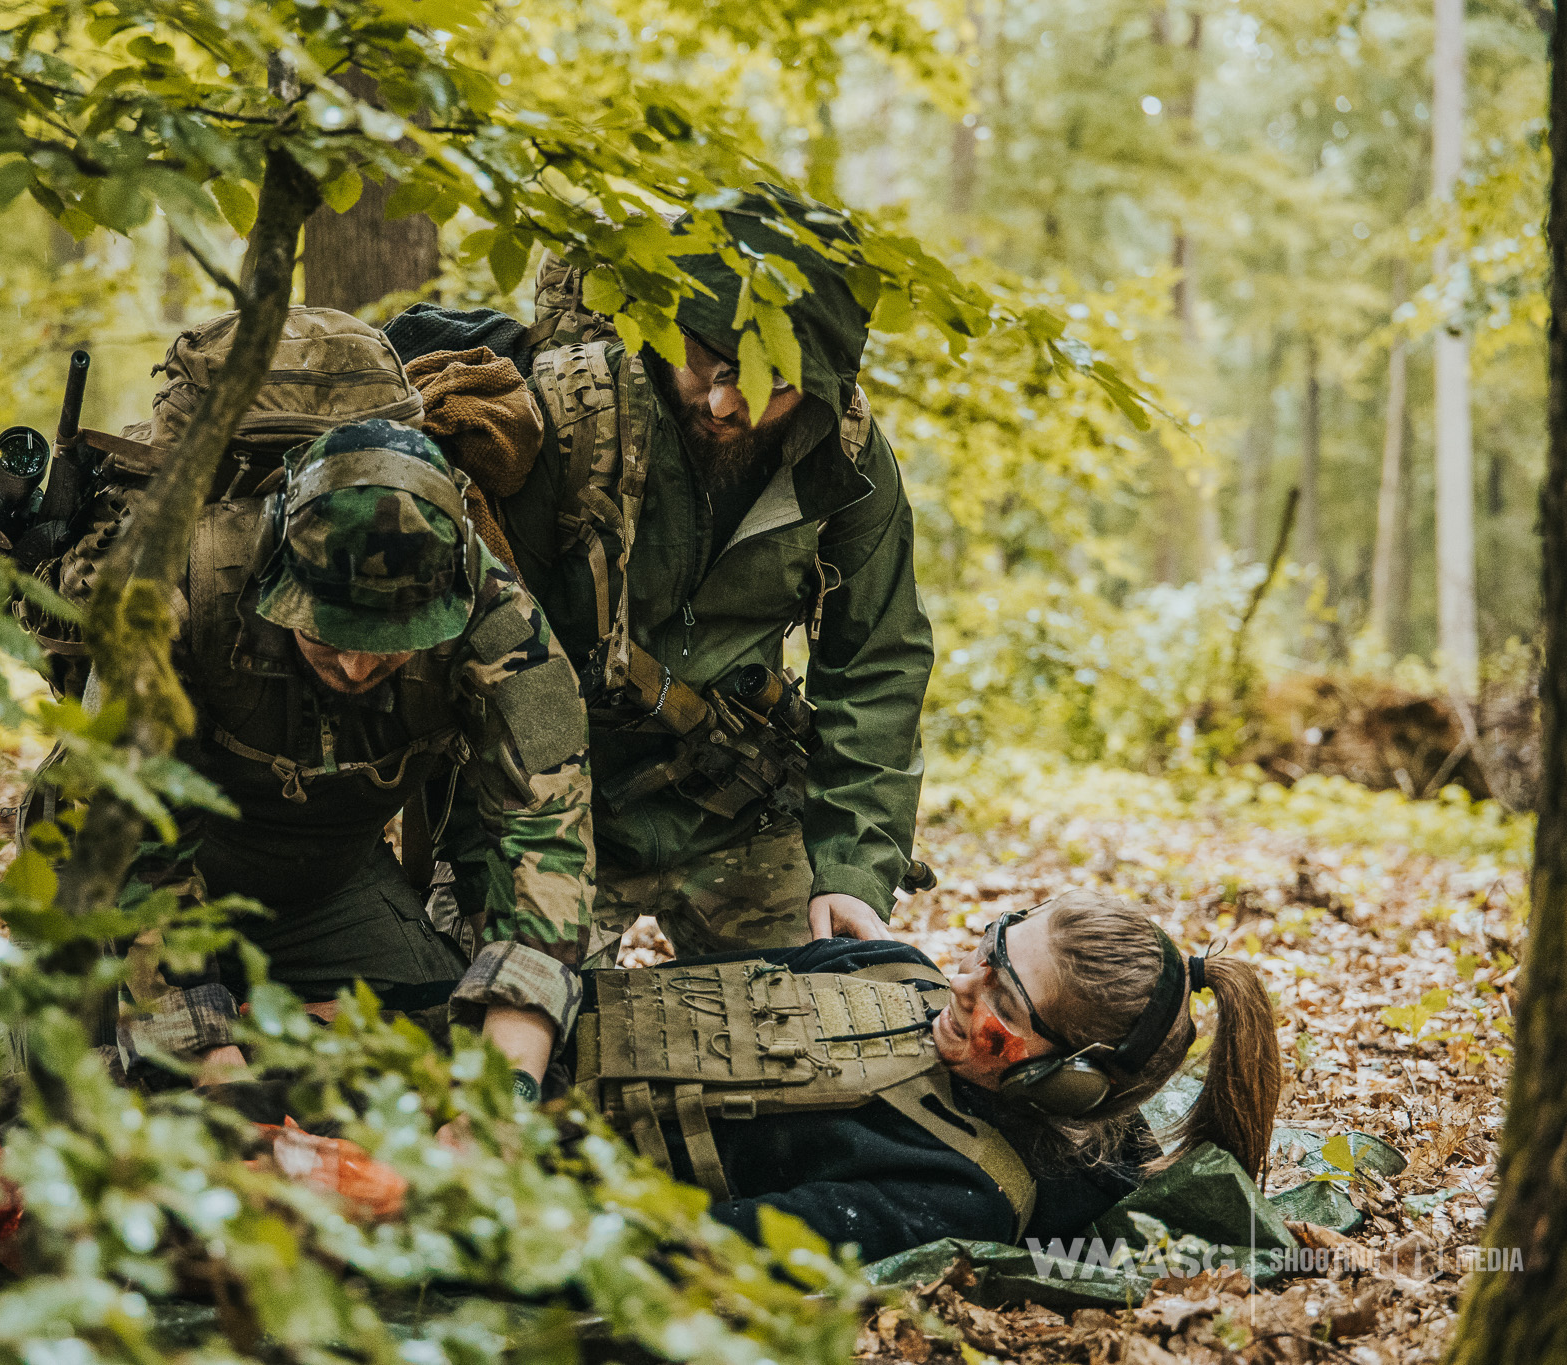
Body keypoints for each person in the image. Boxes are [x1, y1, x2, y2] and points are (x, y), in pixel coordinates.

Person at [417, 187, 933, 967]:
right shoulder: (568, 417)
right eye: (706, 360)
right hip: (552, 813)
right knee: (500, 1037)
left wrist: (854, 870)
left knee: (839, 1016)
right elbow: (473, 659)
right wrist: (480, 855)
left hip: (736, 814)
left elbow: (878, 664)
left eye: (768, 383)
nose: (725, 402)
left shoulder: (847, 460)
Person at [111, 417, 596, 1095]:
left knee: (428, 1034)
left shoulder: (498, 624)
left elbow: (547, 848)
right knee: (65, 1081)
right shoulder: (184, 593)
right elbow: (133, 844)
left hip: (326, 885)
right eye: (329, 630)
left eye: (391, 637)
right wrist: (210, 1071)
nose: (356, 662)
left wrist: (505, 1096)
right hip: (140, 880)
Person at [571, 891, 1283, 1263]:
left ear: (1068, 1081)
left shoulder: (962, 1191)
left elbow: (700, 1247)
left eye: (1003, 1004)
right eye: (986, 951)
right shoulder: (888, 965)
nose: (960, 987)